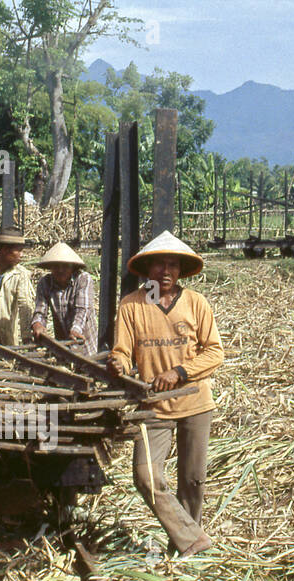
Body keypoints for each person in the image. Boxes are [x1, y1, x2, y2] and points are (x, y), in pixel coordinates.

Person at [109, 231, 224, 558]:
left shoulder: (196, 303)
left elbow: (215, 353)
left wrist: (179, 372)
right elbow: (123, 350)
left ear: (180, 269)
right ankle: (192, 538)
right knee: (146, 476)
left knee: (193, 480)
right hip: (153, 407)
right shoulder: (132, 305)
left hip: (195, 402)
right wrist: (118, 363)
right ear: (147, 269)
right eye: (159, 264)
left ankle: (185, 547)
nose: (166, 271)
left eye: (172, 264)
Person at [30, 241, 96, 355]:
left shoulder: (83, 279)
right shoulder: (45, 282)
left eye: (65, 266)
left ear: (72, 267)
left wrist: (76, 330)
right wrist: (38, 324)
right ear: (50, 267)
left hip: (85, 346)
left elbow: (82, 309)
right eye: (56, 266)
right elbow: (40, 310)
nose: (60, 270)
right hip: (62, 346)